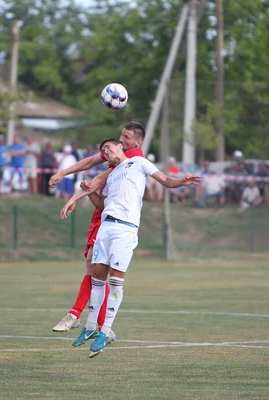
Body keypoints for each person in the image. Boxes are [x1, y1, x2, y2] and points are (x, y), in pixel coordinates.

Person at [59, 138, 201, 358]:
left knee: (116, 280)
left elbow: (165, 180)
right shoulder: (113, 175)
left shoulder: (139, 163)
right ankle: (89, 327)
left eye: (108, 147)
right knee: (97, 278)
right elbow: (103, 205)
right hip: (106, 227)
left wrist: (181, 181)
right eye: (102, 150)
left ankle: (105, 331)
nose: (105, 151)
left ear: (120, 147)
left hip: (125, 229)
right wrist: (91, 192)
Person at [50, 122, 146, 335]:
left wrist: (74, 198)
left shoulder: (134, 157)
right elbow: (90, 161)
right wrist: (62, 173)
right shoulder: (115, 150)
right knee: (95, 268)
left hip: (116, 216)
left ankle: (75, 315)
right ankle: (102, 328)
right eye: (121, 135)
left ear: (137, 142)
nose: (122, 139)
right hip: (102, 209)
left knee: (96, 266)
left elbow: (98, 179)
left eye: (126, 137)